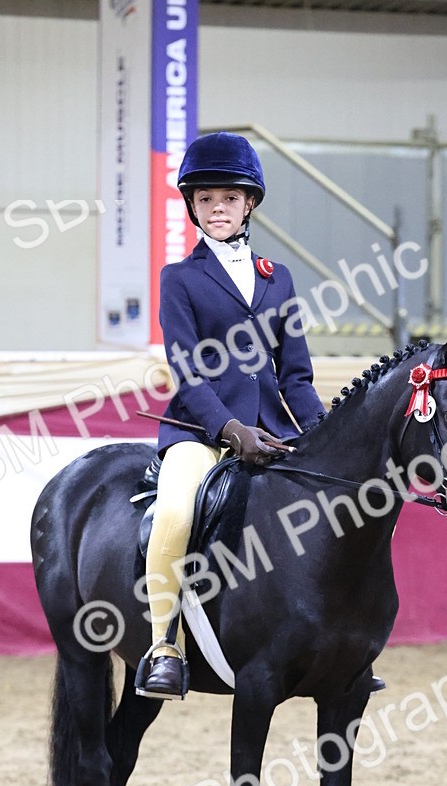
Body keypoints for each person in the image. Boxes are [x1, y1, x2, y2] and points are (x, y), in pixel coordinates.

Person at [135, 131, 326, 700]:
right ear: (193, 206)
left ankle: (337, 643)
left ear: (249, 204)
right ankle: (164, 647)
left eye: (230, 198)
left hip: (274, 427)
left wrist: (321, 431)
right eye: (207, 199)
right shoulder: (180, 279)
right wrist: (229, 429)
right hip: (201, 431)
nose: (218, 209)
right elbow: (187, 371)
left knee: (334, 505)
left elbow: (296, 376)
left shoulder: (279, 278)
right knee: (174, 512)